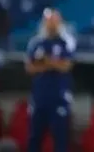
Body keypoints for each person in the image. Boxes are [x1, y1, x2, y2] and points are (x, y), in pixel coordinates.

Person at [25, 9, 74, 152]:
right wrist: (52, 64)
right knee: (34, 139)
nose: (51, 24)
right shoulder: (35, 43)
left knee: (60, 140)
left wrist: (45, 62)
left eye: (54, 21)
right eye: (49, 21)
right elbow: (29, 68)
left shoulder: (66, 42)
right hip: (39, 98)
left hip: (59, 98)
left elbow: (65, 66)